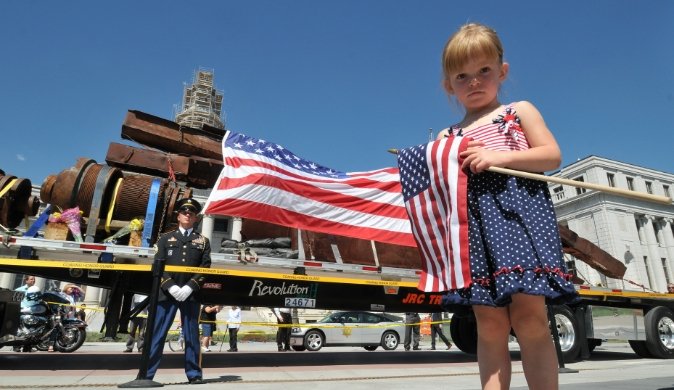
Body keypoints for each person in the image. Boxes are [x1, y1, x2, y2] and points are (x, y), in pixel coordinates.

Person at [436, 23, 578, 390]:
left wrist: (497, 156)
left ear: (502, 71)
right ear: (449, 85)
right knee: (489, 322)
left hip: (521, 221)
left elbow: (552, 155)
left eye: (484, 70)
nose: (474, 82)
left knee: (531, 317)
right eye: (462, 76)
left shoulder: (518, 111)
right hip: (477, 229)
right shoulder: (447, 137)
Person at [145, 198, 211, 385]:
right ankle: (147, 374)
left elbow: (205, 267)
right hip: (167, 293)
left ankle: (194, 374)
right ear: (178, 215)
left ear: (196, 218)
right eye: (184, 212)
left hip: (191, 294)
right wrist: (170, 286)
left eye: (191, 213)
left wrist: (190, 286)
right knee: (158, 334)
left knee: (192, 336)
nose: (187, 215)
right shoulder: (165, 239)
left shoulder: (203, 241)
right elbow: (158, 265)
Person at [14, 275, 36, 352]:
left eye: (34, 279)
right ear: (26, 280)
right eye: (31, 279)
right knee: (20, 330)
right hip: (21, 312)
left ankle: (27, 346)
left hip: (32, 313)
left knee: (31, 330)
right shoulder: (20, 290)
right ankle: (17, 346)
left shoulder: (36, 290)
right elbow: (16, 301)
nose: (33, 281)